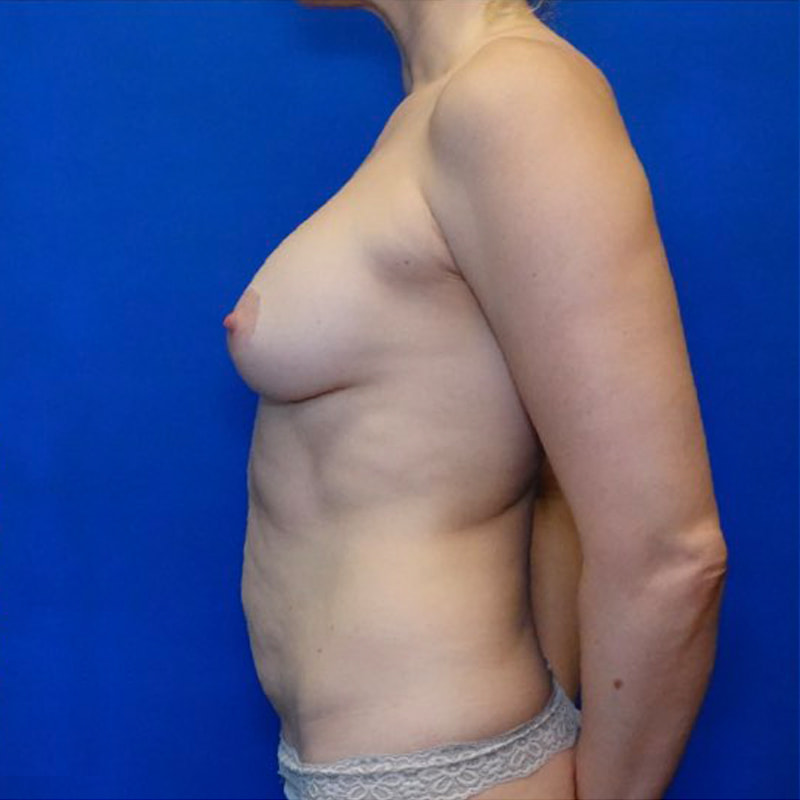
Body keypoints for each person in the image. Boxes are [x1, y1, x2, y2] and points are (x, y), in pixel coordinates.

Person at [223, 1, 729, 797]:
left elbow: (672, 558)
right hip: (397, 769)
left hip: (439, 775)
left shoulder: (515, 96)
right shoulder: (438, 108)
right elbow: (553, 476)